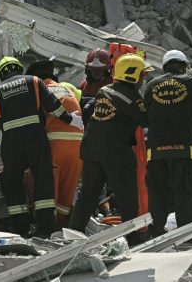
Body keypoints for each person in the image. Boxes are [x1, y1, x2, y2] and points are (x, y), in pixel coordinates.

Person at [0, 56, 84, 237]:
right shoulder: (34, 82)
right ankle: (45, 228)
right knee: (43, 181)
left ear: (1, 74)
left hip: (11, 144)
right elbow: (54, 107)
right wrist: (71, 119)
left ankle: (22, 228)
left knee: (12, 183)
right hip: (36, 139)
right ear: (19, 68)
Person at [68, 54, 149, 241]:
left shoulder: (104, 90)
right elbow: (145, 120)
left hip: (91, 149)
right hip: (116, 153)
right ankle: (132, 238)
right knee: (126, 195)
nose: (143, 81)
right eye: (142, 76)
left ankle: (73, 234)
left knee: (88, 194)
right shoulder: (132, 99)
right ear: (132, 76)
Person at [143, 50, 192, 235]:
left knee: (157, 192)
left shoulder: (152, 84)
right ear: (183, 65)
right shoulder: (191, 82)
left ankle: (156, 231)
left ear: (165, 66)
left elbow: (145, 111)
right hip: (183, 149)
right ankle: (186, 234)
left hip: (157, 150)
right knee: (184, 192)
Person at [26, 58, 84, 227]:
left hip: (55, 144)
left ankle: (47, 227)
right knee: (67, 188)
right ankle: (62, 224)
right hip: (77, 148)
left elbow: (35, 122)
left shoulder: (40, 91)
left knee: (47, 188)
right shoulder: (68, 90)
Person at [79, 49, 112, 124]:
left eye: (100, 69)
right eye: (93, 69)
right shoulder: (83, 85)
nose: (96, 72)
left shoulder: (112, 85)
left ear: (107, 70)